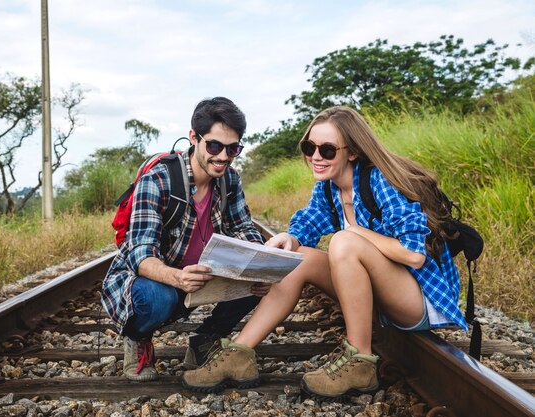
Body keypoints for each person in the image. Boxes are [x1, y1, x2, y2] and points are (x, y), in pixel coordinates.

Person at [182, 106, 468, 399]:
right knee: (299, 258)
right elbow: (308, 223)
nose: (316, 157)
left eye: (328, 150)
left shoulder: (381, 182)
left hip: (415, 299)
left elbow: (412, 255)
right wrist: (289, 238)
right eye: (310, 147)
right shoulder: (330, 188)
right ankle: (239, 354)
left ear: (352, 152)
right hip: (381, 295)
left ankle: (360, 363)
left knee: (343, 242)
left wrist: (356, 232)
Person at [101, 97, 270, 382]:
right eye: (215, 146)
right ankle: (137, 337)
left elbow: (243, 228)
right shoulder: (157, 180)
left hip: (207, 276)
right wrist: (178, 278)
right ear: (194, 137)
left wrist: (261, 260)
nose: (224, 157)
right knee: (157, 299)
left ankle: (205, 339)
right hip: (163, 279)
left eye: (233, 148)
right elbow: (140, 253)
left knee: (261, 281)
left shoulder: (230, 180)